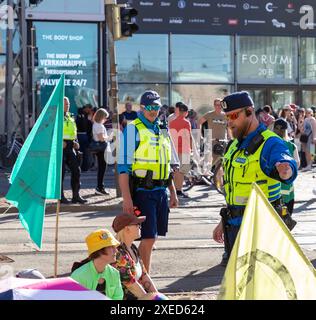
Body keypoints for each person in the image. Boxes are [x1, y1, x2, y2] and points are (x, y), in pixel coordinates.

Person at [212, 91, 298, 266]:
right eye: (227, 117)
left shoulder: (270, 142)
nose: (229, 122)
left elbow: (285, 163)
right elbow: (234, 189)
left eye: (234, 116)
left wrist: (286, 170)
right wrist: (223, 221)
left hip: (261, 232)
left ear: (250, 112)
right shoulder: (234, 145)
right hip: (235, 227)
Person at [118, 90, 178, 273]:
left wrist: (173, 192)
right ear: (142, 108)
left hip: (161, 191)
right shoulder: (133, 129)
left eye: (157, 107)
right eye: (150, 107)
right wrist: (126, 199)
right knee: (148, 237)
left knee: (153, 237)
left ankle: (140, 276)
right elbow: (123, 168)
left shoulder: (162, 129)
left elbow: (166, 165)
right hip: (143, 191)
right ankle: (144, 279)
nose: (154, 111)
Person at [111, 212, 161, 300]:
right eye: (137, 224)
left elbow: (144, 275)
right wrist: (150, 298)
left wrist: (157, 296)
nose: (140, 227)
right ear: (127, 229)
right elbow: (130, 284)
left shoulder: (133, 248)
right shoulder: (118, 253)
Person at [71, 228, 124, 300]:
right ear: (99, 250)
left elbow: (118, 297)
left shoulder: (114, 273)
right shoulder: (78, 276)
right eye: (111, 247)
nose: (116, 250)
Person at [61, 97, 87, 204]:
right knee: (60, 173)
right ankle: (61, 197)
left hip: (71, 145)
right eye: (65, 104)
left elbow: (74, 131)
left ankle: (76, 196)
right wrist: (59, 142)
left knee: (77, 171)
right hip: (61, 147)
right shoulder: (56, 116)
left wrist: (76, 141)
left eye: (68, 104)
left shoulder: (70, 116)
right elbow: (51, 133)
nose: (68, 105)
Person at [273, 118, 300, 214]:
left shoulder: (268, 145)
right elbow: (297, 164)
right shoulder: (291, 146)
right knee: (285, 216)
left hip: (272, 190)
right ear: (286, 131)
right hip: (287, 189)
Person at [198, 98, 231, 169]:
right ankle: (201, 172)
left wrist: (230, 138)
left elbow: (228, 127)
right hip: (211, 142)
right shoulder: (210, 114)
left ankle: (218, 179)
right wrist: (200, 135)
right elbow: (199, 122)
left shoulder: (226, 116)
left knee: (220, 163)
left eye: (220, 105)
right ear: (214, 105)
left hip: (222, 142)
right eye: (217, 105)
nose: (218, 106)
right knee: (210, 162)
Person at [169, 103, 192, 198]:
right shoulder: (186, 123)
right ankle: (179, 190)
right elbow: (189, 136)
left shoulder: (172, 122)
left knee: (175, 171)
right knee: (182, 171)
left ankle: (174, 190)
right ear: (186, 113)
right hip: (184, 148)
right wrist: (192, 148)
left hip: (174, 149)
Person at [92, 108, 113, 195]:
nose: (106, 119)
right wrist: (109, 137)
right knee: (102, 169)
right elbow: (101, 139)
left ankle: (100, 186)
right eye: (105, 117)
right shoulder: (99, 125)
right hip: (102, 149)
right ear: (102, 117)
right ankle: (100, 187)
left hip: (100, 149)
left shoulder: (95, 124)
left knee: (101, 168)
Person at [76, 104, 94, 171]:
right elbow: (88, 126)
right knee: (85, 153)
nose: (90, 110)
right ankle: (84, 167)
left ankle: (79, 167)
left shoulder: (78, 117)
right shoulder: (86, 116)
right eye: (90, 109)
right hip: (85, 135)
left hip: (79, 135)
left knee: (80, 152)